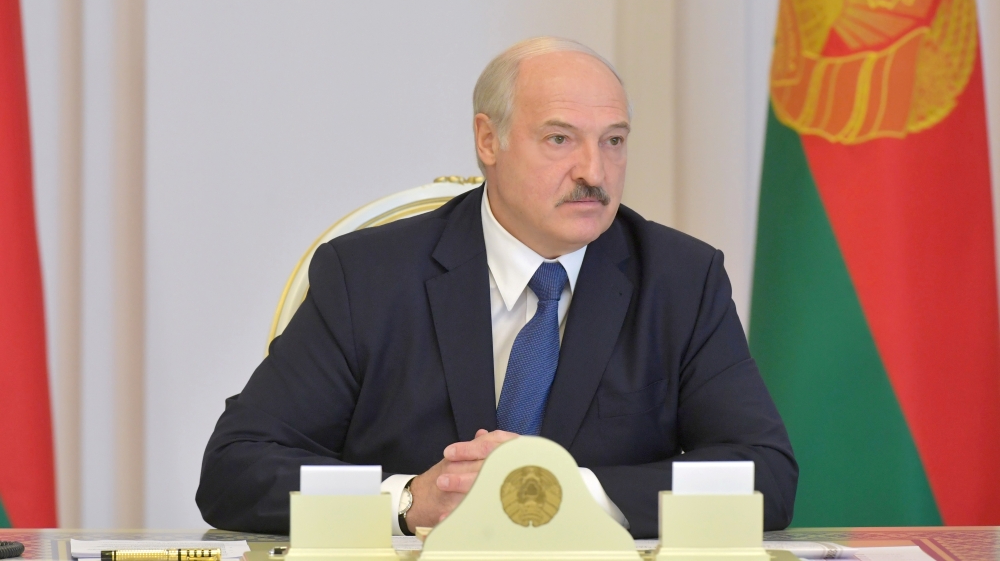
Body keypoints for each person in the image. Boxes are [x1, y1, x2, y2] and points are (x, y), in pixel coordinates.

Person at [196, 37, 797, 538]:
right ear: (489, 140)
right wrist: (405, 502)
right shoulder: (370, 278)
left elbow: (763, 475)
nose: (595, 171)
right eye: (560, 139)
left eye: (613, 140)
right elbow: (236, 469)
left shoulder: (679, 279)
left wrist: (562, 490)